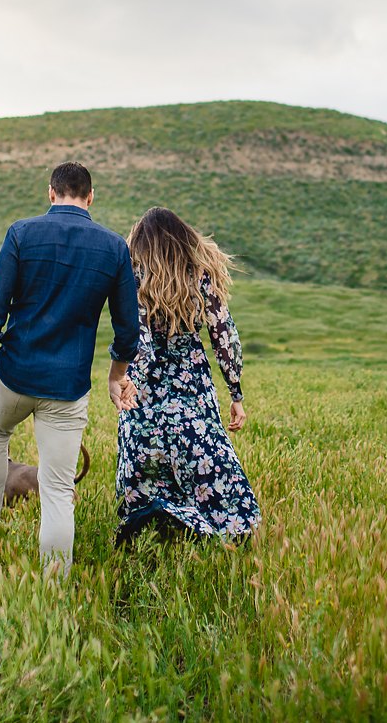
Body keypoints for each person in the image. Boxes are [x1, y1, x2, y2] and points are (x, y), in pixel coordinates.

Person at [0, 161, 141, 573]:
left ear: (51, 193)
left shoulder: (22, 233)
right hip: (68, 385)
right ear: (90, 197)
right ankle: (55, 588)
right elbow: (128, 327)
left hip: (15, 374)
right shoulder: (114, 247)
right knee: (59, 491)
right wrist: (116, 376)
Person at [115, 207, 260, 544]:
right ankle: (215, 529)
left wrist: (131, 380)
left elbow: (140, 339)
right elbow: (224, 336)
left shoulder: (133, 275)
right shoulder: (201, 274)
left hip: (144, 392)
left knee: (145, 470)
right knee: (208, 468)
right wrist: (235, 394)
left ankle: (154, 527)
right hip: (192, 387)